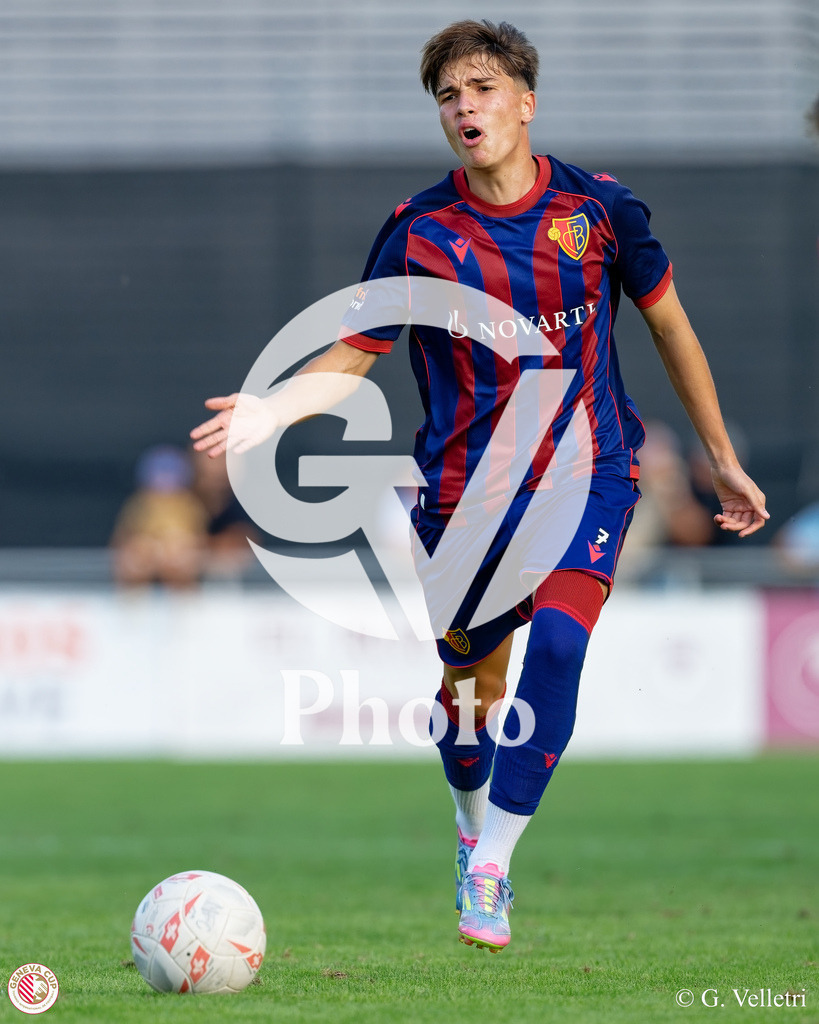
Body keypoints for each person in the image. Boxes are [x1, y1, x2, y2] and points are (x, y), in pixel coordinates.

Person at [191, 20, 769, 952]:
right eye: (449, 96)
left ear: (525, 102)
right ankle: (469, 827)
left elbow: (669, 327)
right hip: (466, 503)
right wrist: (275, 409)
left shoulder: (599, 209)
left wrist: (717, 456)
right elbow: (357, 348)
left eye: (483, 89)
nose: (466, 108)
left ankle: (494, 863)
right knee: (470, 693)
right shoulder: (423, 231)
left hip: (591, 473)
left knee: (562, 653)